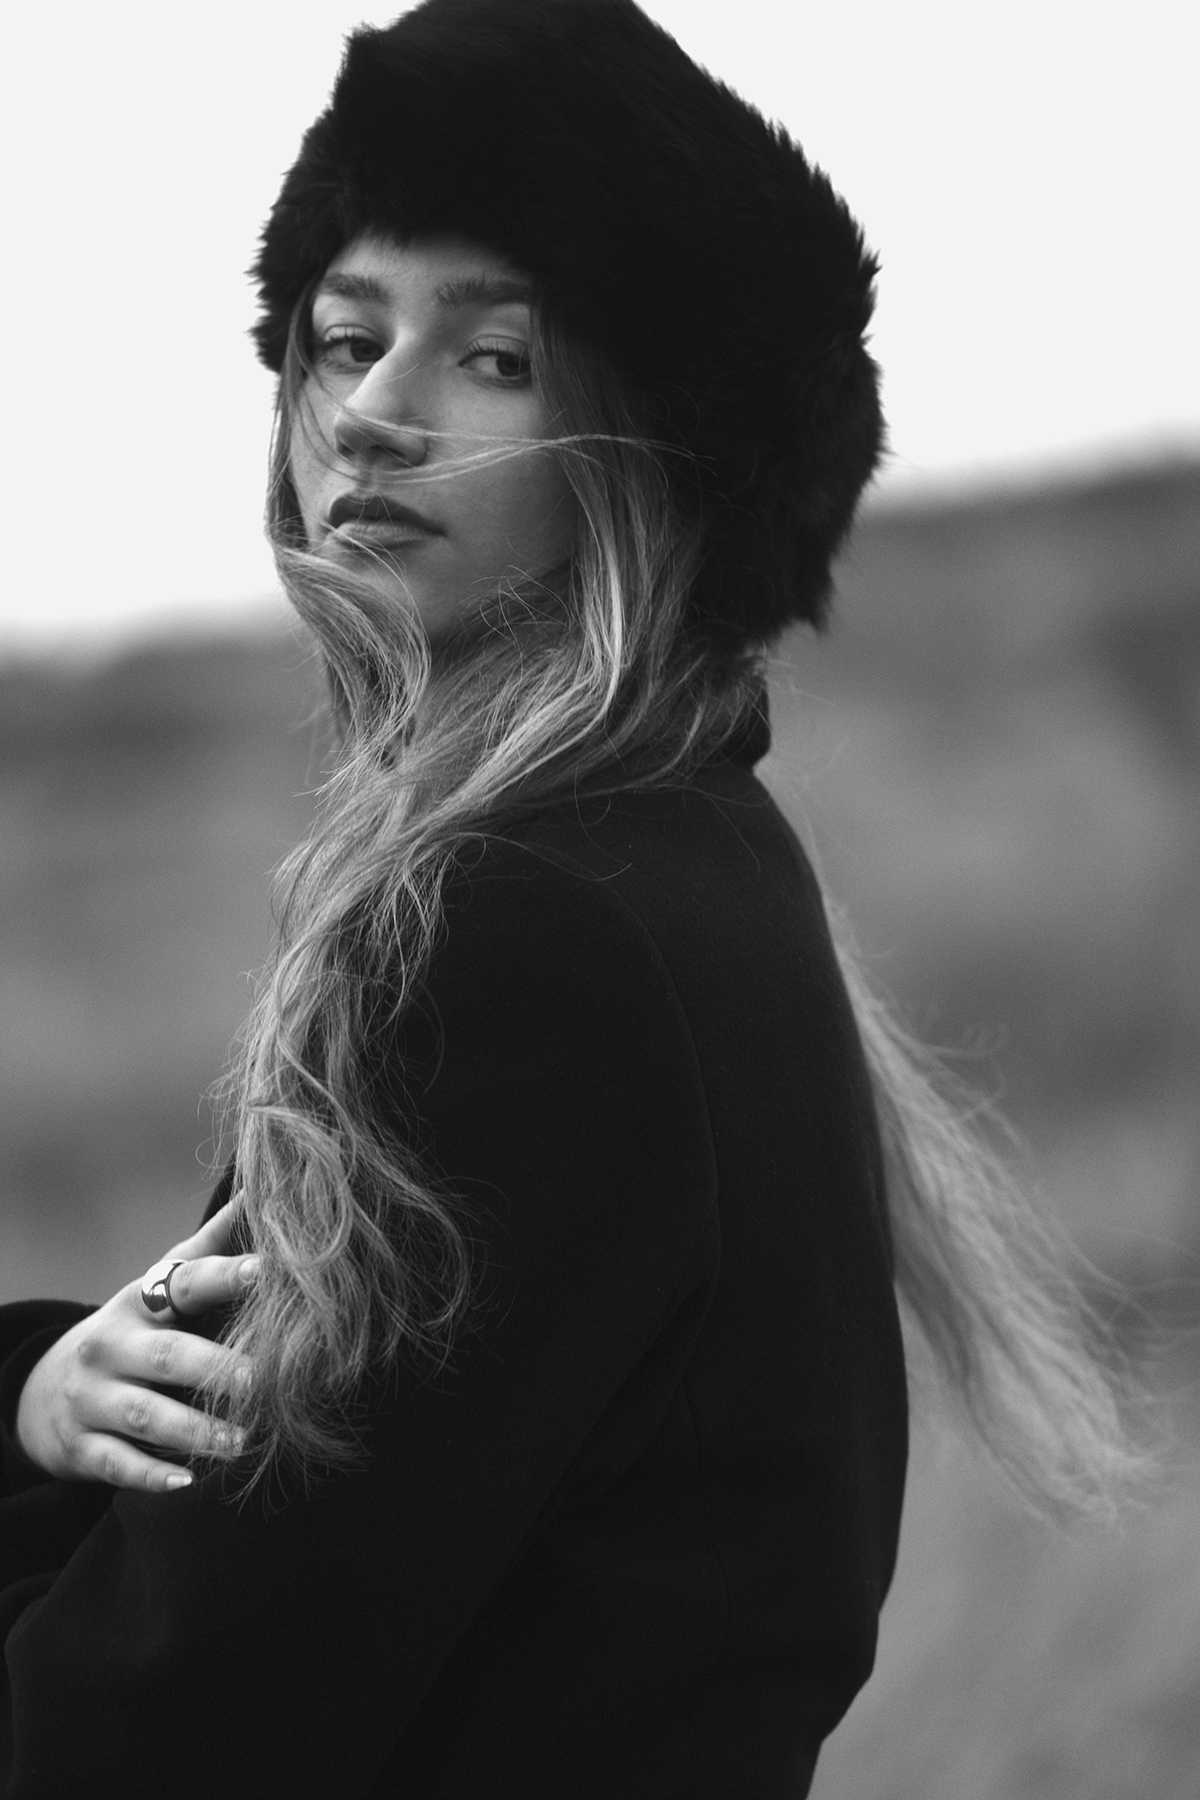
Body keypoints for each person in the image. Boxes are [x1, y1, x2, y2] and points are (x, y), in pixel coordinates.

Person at [0, 1, 1157, 1794]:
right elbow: (272, 1530)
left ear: (654, 448)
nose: (374, 414)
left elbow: (170, 1723)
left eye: (496, 356)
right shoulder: (676, 854)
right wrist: (29, 1401)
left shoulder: (523, 939)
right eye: (345, 338)